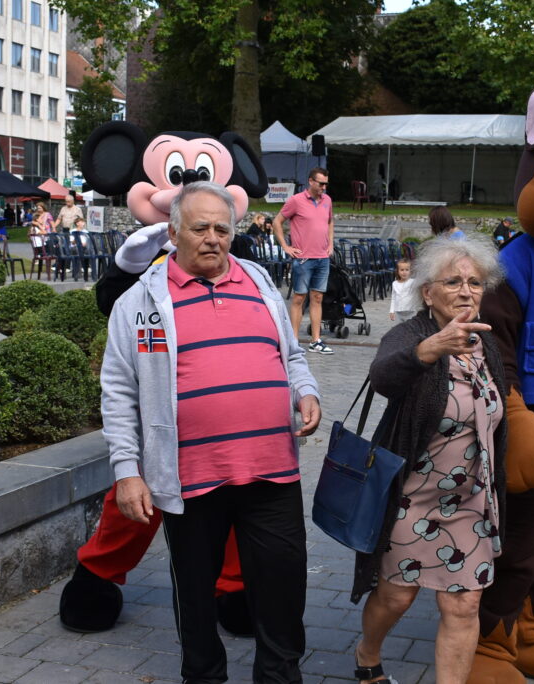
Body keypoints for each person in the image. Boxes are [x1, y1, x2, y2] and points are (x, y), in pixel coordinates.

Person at [102, 181, 320, 683]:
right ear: (173, 231)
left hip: (273, 474)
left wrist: (304, 391)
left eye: (222, 228)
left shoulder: (260, 280)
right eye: (200, 227)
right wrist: (127, 472)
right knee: (197, 602)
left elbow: (291, 354)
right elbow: (118, 393)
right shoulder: (140, 302)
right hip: (191, 479)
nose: (212, 238)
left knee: (283, 596)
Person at [352, 233, 506, 684]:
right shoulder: (411, 335)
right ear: (427, 292)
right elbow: (382, 376)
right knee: (397, 598)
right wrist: (429, 350)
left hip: (470, 503)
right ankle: (367, 655)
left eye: (475, 283)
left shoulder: (485, 344)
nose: (465, 291)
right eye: (453, 282)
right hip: (412, 499)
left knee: (463, 603)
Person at [272, 167, 335, 354]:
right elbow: (277, 221)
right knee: (299, 297)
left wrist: (330, 244)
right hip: (303, 259)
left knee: (318, 297)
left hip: (322, 258)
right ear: (311, 181)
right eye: (321, 183)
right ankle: (293, 340)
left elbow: (330, 222)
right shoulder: (296, 201)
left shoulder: (327, 201)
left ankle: (316, 340)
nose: (324, 187)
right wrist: (285, 246)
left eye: (326, 184)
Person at [389, 258, 418, 322]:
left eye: (407, 270)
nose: (404, 272)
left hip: (411, 312)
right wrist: (391, 311)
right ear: (398, 271)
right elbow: (393, 298)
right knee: (401, 329)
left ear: (410, 271)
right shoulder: (395, 284)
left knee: (410, 329)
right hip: (399, 312)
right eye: (402, 270)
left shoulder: (413, 282)